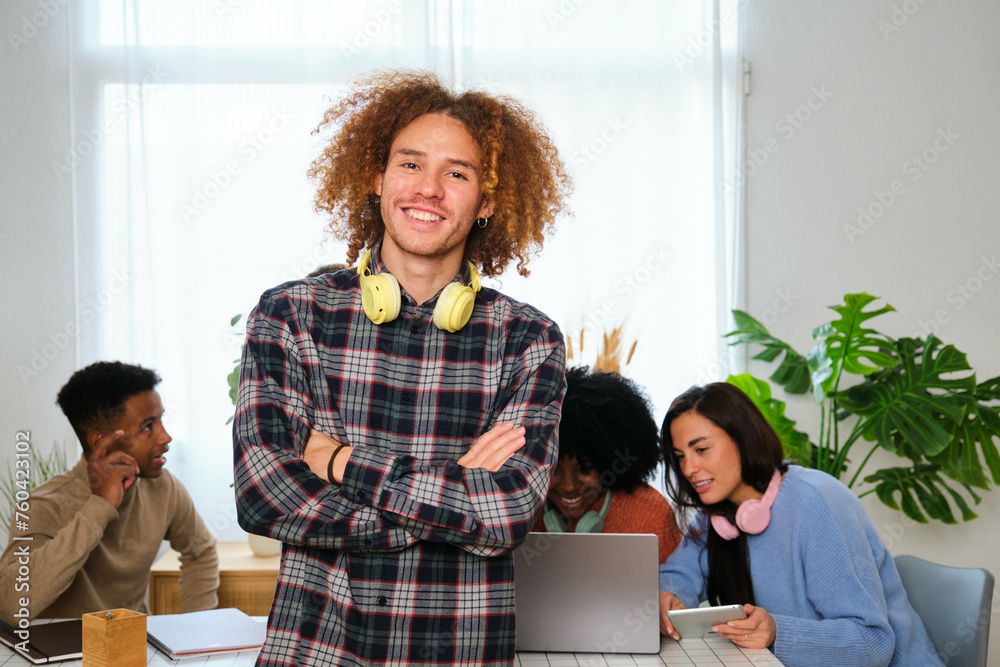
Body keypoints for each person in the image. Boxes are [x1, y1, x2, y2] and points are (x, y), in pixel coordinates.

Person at [233, 69, 571, 666]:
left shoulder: (529, 340)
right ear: (378, 175)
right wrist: (452, 500)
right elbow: (264, 499)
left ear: (487, 201)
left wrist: (338, 461)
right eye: (411, 164)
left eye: (457, 173)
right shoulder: (292, 315)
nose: (429, 189)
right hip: (315, 652)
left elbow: (507, 513)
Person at [657, 382, 942, 667]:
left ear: (743, 439)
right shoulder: (715, 515)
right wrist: (667, 598)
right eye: (680, 456)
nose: (688, 469)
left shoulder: (819, 504)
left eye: (702, 449)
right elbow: (679, 577)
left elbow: (872, 643)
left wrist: (777, 633)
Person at [0, 361, 219, 623]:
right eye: (148, 426)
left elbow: (200, 550)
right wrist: (100, 506)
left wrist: (197, 626)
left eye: (161, 420)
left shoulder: (163, 488)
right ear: (100, 442)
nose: (165, 437)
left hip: (135, 649)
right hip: (64, 657)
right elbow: (12, 606)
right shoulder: (43, 506)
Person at [532, 366, 681, 563]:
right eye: (554, 470)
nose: (569, 486)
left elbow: (674, 590)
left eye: (584, 468)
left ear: (608, 461)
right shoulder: (523, 513)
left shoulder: (650, 514)